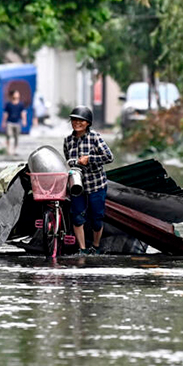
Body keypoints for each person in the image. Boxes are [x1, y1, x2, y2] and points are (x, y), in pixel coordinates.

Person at [63, 105, 113, 255]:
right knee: (77, 217)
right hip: (76, 186)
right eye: (74, 120)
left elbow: (109, 157)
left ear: (88, 123)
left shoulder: (95, 137)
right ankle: (82, 249)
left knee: (97, 218)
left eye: (81, 121)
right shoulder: (67, 141)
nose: (77, 123)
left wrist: (89, 159)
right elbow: (67, 160)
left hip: (96, 184)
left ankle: (96, 246)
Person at [2, 90, 27, 155]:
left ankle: (14, 149)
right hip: (10, 122)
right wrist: (4, 122)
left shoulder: (21, 104)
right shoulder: (8, 104)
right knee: (8, 135)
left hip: (17, 122)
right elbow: (6, 114)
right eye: (15, 94)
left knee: (16, 137)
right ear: (12, 95)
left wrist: (24, 121)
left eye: (18, 94)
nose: (17, 95)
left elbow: (23, 113)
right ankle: (8, 149)